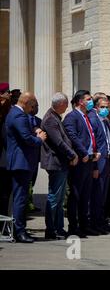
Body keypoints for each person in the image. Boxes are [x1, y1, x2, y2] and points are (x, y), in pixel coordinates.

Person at [6, 92, 47, 243]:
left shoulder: (17, 114)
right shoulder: (18, 115)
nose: (33, 108)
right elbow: (26, 138)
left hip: (22, 162)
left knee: (20, 197)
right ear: (26, 103)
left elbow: (28, 128)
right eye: (32, 105)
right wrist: (39, 139)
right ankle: (19, 231)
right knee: (20, 198)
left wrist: (35, 129)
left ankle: (19, 229)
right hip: (21, 162)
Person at [64, 90, 101, 238]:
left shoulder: (86, 117)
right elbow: (72, 136)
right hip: (80, 161)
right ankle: (74, 227)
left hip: (90, 161)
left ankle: (85, 226)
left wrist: (94, 153)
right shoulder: (72, 117)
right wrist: (83, 152)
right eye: (88, 99)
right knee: (76, 195)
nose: (91, 101)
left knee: (86, 195)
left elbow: (91, 137)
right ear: (80, 102)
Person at [40, 92, 78, 240]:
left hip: (60, 163)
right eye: (66, 103)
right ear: (60, 104)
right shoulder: (50, 119)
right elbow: (59, 142)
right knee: (54, 197)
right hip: (56, 163)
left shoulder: (55, 117)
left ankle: (58, 227)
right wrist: (72, 155)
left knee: (59, 197)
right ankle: (51, 229)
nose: (67, 106)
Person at [88, 96, 110, 234]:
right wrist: (95, 167)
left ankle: (100, 221)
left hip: (106, 161)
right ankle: (93, 223)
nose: (105, 109)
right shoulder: (93, 120)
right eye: (102, 107)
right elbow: (93, 144)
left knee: (102, 195)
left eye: (107, 107)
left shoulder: (104, 121)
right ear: (96, 107)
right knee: (96, 195)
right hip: (98, 163)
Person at [26, 100, 42, 213]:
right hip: (26, 157)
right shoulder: (23, 120)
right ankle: (27, 204)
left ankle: (30, 202)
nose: (37, 108)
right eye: (35, 106)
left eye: (38, 106)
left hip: (36, 156)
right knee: (26, 183)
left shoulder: (39, 121)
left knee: (33, 180)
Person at [0, 83, 12, 218]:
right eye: (7, 92)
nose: (9, 95)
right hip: (3, 160)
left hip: (4, 160)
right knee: (4, 195)